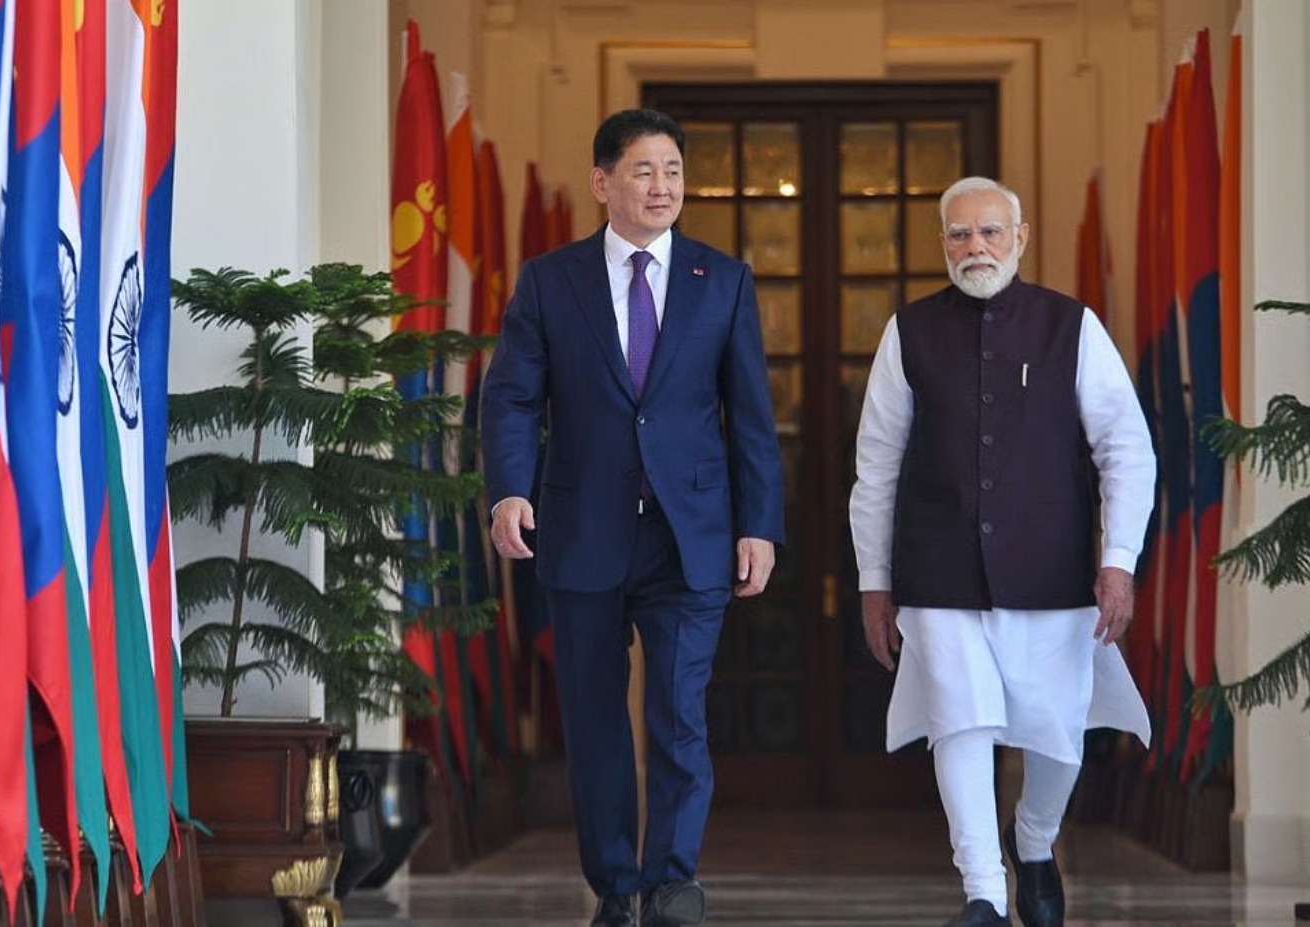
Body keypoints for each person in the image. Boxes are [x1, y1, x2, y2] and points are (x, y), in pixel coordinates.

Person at [481, 108, 786, 927]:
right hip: (581, 529)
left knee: (681, 714)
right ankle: (617, 886)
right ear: (603, 182)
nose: (662, 187)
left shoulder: (721, 281)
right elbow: (511, 395)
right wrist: (511, 489)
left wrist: (759, 524)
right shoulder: (551, 280)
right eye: (645, 170)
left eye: (674, 172)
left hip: (691, 537)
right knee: (594, 719)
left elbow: (751, 416)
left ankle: (671, 881)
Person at [848, 176, 1155, 927]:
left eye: (989, 232)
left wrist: (1118, 558)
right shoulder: (909, 331)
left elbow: (1126, 447)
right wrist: (874, 581)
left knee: (1058, 727)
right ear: (942, 245)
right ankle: (983, 891)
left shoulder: (1070, 327)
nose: (974, 246)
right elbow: (876, 463)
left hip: (1051, 570)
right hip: (937, 571)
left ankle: (1036, 839)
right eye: (958, 234)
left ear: (1019, 238)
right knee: (961, 718)